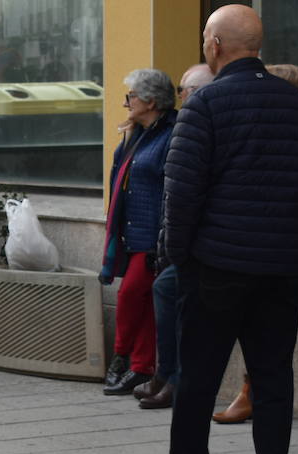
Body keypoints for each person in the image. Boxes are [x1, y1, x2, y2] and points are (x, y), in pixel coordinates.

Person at [142, 4, 298, 454]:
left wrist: (177, 257)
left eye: (204, 36)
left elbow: (182, 192)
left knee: (198, 373)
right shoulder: (296, 104)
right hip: (282, 264)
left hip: (217, 264)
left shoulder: (206, 104)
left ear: (215, 44)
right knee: (272, 375)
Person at [210, 63, 298, 423]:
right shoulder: (296, 124)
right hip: (286, 239)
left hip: (287, 241)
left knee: (268, 333)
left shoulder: (297, 128)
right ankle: (253, 392)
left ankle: (254, 392)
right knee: (268, 332)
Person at [135, 63, 213, 412]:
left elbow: (184, 190)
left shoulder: (194, 123)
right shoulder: (163, 128)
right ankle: (165, 375)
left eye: (187, 90)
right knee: (163, 289)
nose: (181, 97)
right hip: (181, 238)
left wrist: (173, 246)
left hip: (209, 242)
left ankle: (173, 379)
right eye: (181, 89)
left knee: (167, 290)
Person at [99, 69, 177, 397]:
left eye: (131, 96)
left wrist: (163, 237)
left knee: (130, 295)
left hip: (152, 236)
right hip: (130, 233)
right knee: (143, 303)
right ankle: (140, 367)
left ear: (151, 101)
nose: (127, 102)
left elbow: (170, 191)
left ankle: (121, 357)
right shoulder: (137, 134)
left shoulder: (170, 135)